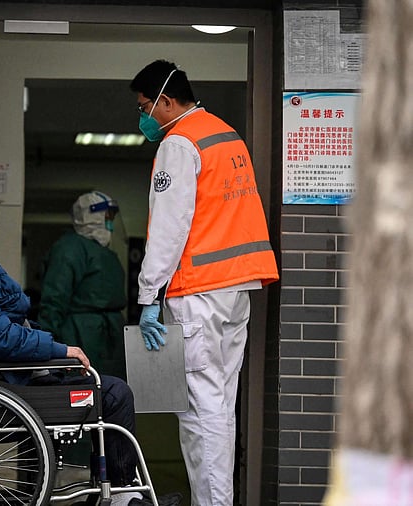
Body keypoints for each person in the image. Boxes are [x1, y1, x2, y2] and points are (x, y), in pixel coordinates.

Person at [0, 169, 181, 506]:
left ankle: (116, 494)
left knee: (104, 387)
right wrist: (57, 349)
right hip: (4, 378)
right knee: (115, 394)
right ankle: (122, 496)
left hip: (6, 371)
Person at [130, 60, 279, 506]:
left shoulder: (180, 143)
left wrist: (148, 294)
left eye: (145, 107)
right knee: (220, 402)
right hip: (235, 292)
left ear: (166, 101)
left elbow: (170, 229)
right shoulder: (226, 135)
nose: (143, 118)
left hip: (198, 293)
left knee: (199, 409)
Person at [39, 191, 128, 379]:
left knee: (112, 387)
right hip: (80, 332)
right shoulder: (69, 249)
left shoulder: (104, 252)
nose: (110, 221)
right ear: (91, 216)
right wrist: (47, 344)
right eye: (107, 216)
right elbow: (54, 298)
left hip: (110, 335)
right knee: (84, 386)